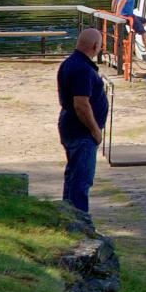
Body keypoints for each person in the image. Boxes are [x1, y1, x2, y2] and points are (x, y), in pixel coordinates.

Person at [57, 27, 109, 215]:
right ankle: (79, 221)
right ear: (95, 46)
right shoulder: (82, 69)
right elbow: (81, 104)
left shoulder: (70, 63)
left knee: (73, 175)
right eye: (100, 45)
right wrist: (95, 130)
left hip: (70, 125)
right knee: (81, 179)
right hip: (82, 130)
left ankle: (69, 216)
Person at [111, 0, 146, 70]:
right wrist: (117, 15)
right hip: (128, 16)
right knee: (143, 33)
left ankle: (135, 31)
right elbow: (121, 1)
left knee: (145, 21)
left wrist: (113, 10)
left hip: (128, 15)